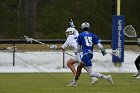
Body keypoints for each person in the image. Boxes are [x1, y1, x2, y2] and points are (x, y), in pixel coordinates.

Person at [67, 22, 113, 86]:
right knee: (79, 68)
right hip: (90, 54)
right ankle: (74, 82)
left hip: (85, 55)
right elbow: (100, 46)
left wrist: (77, 51)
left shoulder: (80, 35)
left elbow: (78, 49)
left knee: (91, 73)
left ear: (82, 28)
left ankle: (107, 77)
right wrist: (103, 51)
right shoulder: (93, 35)